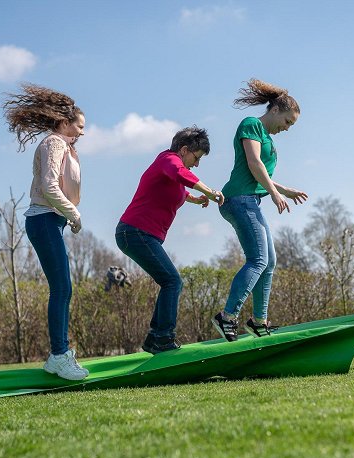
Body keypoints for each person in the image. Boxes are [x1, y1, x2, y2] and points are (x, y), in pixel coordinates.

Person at [3, 84, 88, 380]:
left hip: (52, 221)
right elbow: (50, 186)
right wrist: (73, 213)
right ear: (64, 123)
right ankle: (58, 355)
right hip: (44, 219)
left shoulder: (63, 145)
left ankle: (61, 353)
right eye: (78, 126)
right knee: (62, 288)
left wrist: (68, 215)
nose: (82, 132)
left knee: (64, 287)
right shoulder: (54, 142)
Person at [212, 79, 308, 342]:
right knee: (258, 260)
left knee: (270, 261)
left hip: (250, 199)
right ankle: (227, 316)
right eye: (288, 122)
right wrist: (275, 193)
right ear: (276, 110)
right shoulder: (251, 125)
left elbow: (259, 173)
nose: (287, 128)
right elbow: (254, 163)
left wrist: (283, 189)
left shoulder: (267, 137)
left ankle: (258, 321)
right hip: (238, 199)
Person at [116, 126, 224, 354]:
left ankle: (155, 338)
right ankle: (163, 337)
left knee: (170, 281)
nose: (197, 164)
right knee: (173, 281)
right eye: (196, 158)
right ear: (184, 150)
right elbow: (179, 174)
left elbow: (178, 188)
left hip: (138, 234)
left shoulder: (170, 169)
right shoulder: (168, 159)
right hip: (134, 232)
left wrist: (194, 198)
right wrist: (211, 192)